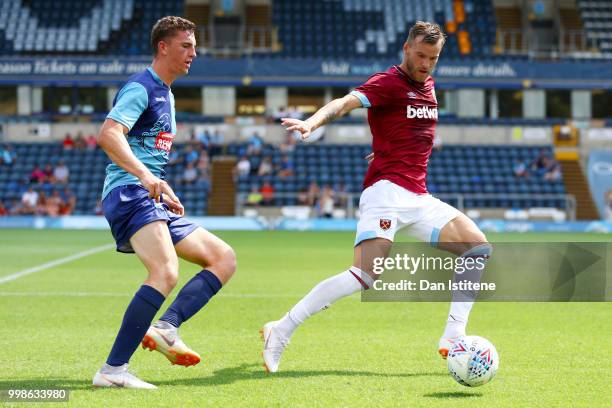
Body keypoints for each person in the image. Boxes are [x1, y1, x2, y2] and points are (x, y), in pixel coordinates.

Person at [261, 21, 492, 373]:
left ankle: (453, 336)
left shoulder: (429, 84)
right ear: (405, 49)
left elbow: (410, 132)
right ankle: (282, 329)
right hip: (386, 192)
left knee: (477, 248)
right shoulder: (388, 83)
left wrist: (385, 148)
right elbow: (343, 103)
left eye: (433, 58)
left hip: (418, 195)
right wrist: (313, 122)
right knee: (366, 275)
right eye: (420, 55)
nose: (426, 64)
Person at [92, 16, 236, 389]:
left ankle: (167, 327)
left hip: (148, 194)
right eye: (186, 45)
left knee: (223, 258)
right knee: (165, 272)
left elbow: (146, 152)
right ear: (163, 47)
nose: (194, 53)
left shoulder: (167, 93)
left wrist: (162, 185)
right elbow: (109, 134)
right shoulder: (141, 87)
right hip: (128, 192)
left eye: (194, 46)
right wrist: (145, 177)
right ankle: (112, 371)